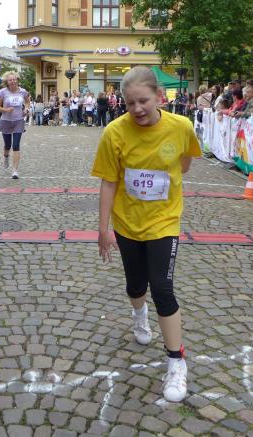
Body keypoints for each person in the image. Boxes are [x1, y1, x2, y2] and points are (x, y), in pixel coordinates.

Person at [92, 66, 201, 403]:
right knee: (135, 285)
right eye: (130, 103)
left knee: (162, 288)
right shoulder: (114, 132)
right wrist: (103, 229)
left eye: (143, 101)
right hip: (127, 222)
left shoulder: (181, 127)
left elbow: (185, 163)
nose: (137, 109)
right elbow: (109, 181)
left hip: (164, 221)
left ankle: (176, 361)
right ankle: (139, 315)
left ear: (159, 96)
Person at [0, 71, 30, 179]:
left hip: (18, 121)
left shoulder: (22, 91)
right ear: (7, 82)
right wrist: (6, 110)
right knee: (7, 145)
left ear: (17, 80)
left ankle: (15, 171)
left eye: (14, 79)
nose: (12, 81)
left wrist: (26, 109)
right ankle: (6, 157)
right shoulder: (3, 92)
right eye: (10, 80)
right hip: (6, 121)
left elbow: (27, 102)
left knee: (16, 145)